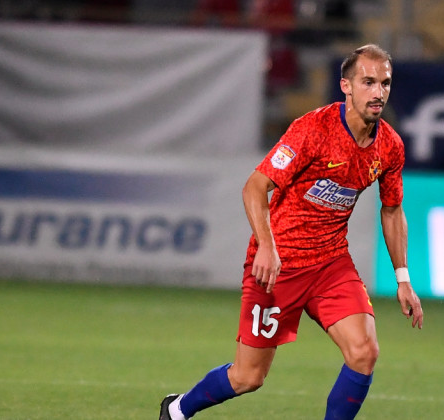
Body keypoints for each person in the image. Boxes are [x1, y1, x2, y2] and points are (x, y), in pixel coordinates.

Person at [159, 43, 424, 420]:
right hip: (278, 266)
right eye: (368, 82)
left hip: (331, 263)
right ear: (346, 86)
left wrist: (403, 278)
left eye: (385, 83)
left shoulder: (390, 147)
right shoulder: (312, 130)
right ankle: (178, 409)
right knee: (248, 377)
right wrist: (266, 247)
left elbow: (393, 209)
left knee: (364, 352)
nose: (378, 92)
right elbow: (254, 186)